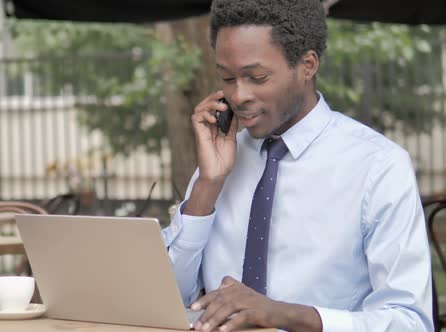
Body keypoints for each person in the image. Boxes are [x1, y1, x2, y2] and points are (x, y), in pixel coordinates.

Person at [161, 0, 433, 331]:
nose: (239, 95)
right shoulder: (222, 157)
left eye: (257, 77)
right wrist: (208, 184)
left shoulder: (379, 167)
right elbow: (167, 297)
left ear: (307, 65)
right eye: (227, 77)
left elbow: (410, 321)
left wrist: (281, 314)